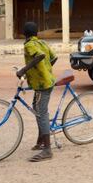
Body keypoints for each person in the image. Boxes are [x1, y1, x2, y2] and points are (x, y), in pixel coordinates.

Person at [15, 21, 57, 162]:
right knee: (37, 109)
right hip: (47, 81)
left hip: (42, 85)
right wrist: (44, 70)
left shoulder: (29, 45)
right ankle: (40, 142)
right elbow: (54, 57)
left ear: (24, 33)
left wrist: (23, 70)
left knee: (41, 113)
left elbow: (40, 56)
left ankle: (47, 150)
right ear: (36, 33)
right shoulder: (42, 43)